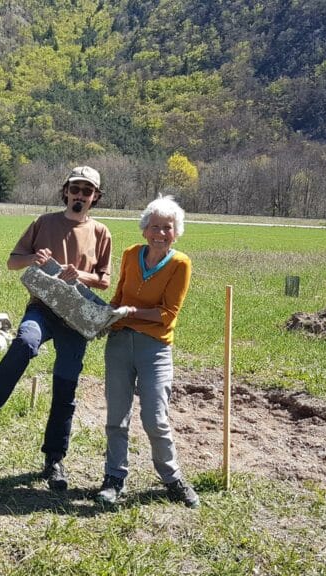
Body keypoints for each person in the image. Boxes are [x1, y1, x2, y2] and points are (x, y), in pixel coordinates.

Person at [0, 166, 112, 492]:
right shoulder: (43, 223)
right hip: (41, 308)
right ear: (65, 191)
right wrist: (33, 259)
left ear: (95, 197)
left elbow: (105, 281)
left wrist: (80, 274)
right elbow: (13, 261)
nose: (80, 195)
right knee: (24, 342)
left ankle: (54, 459)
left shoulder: (101, 232)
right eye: (75, 189)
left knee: (65, 387)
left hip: (76, 317)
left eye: (87, 191)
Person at [94, 195, 199, 508]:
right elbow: (118, 297)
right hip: (119, 344)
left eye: (167, 228)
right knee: (116, 417)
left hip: (155, 349)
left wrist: (128, 312)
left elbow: (167, 314)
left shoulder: (180, 264)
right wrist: (104, 319)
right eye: (155, 227)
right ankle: (114, 478)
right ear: (145, 230)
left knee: (155, 418)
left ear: (175, 232)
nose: (160, 233)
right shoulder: (130, 255)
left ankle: (172, 478)